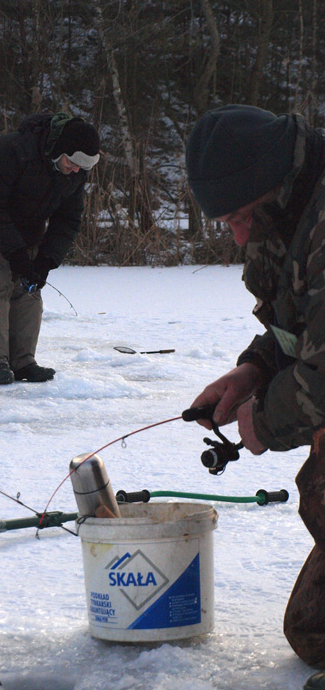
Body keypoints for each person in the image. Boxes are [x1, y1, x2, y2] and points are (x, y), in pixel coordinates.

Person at [185, 104, 325, 686]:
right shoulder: (286, 208)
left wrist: (264, 424)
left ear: (273, 185)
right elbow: (300, 326)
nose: (239, 235)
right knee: (314, 632)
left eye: (242, 216)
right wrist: (252, 371)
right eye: (227, 223)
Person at [0, 112, 100, 385]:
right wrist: (16, 255)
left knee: (29, 289)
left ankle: (23, 361)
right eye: (71, 163)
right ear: (59, 151)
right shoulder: (12, 150)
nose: (75, 171)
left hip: (29, 227)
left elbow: (68, 219)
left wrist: (46, 261)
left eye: (82, 168)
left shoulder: (74, 172)